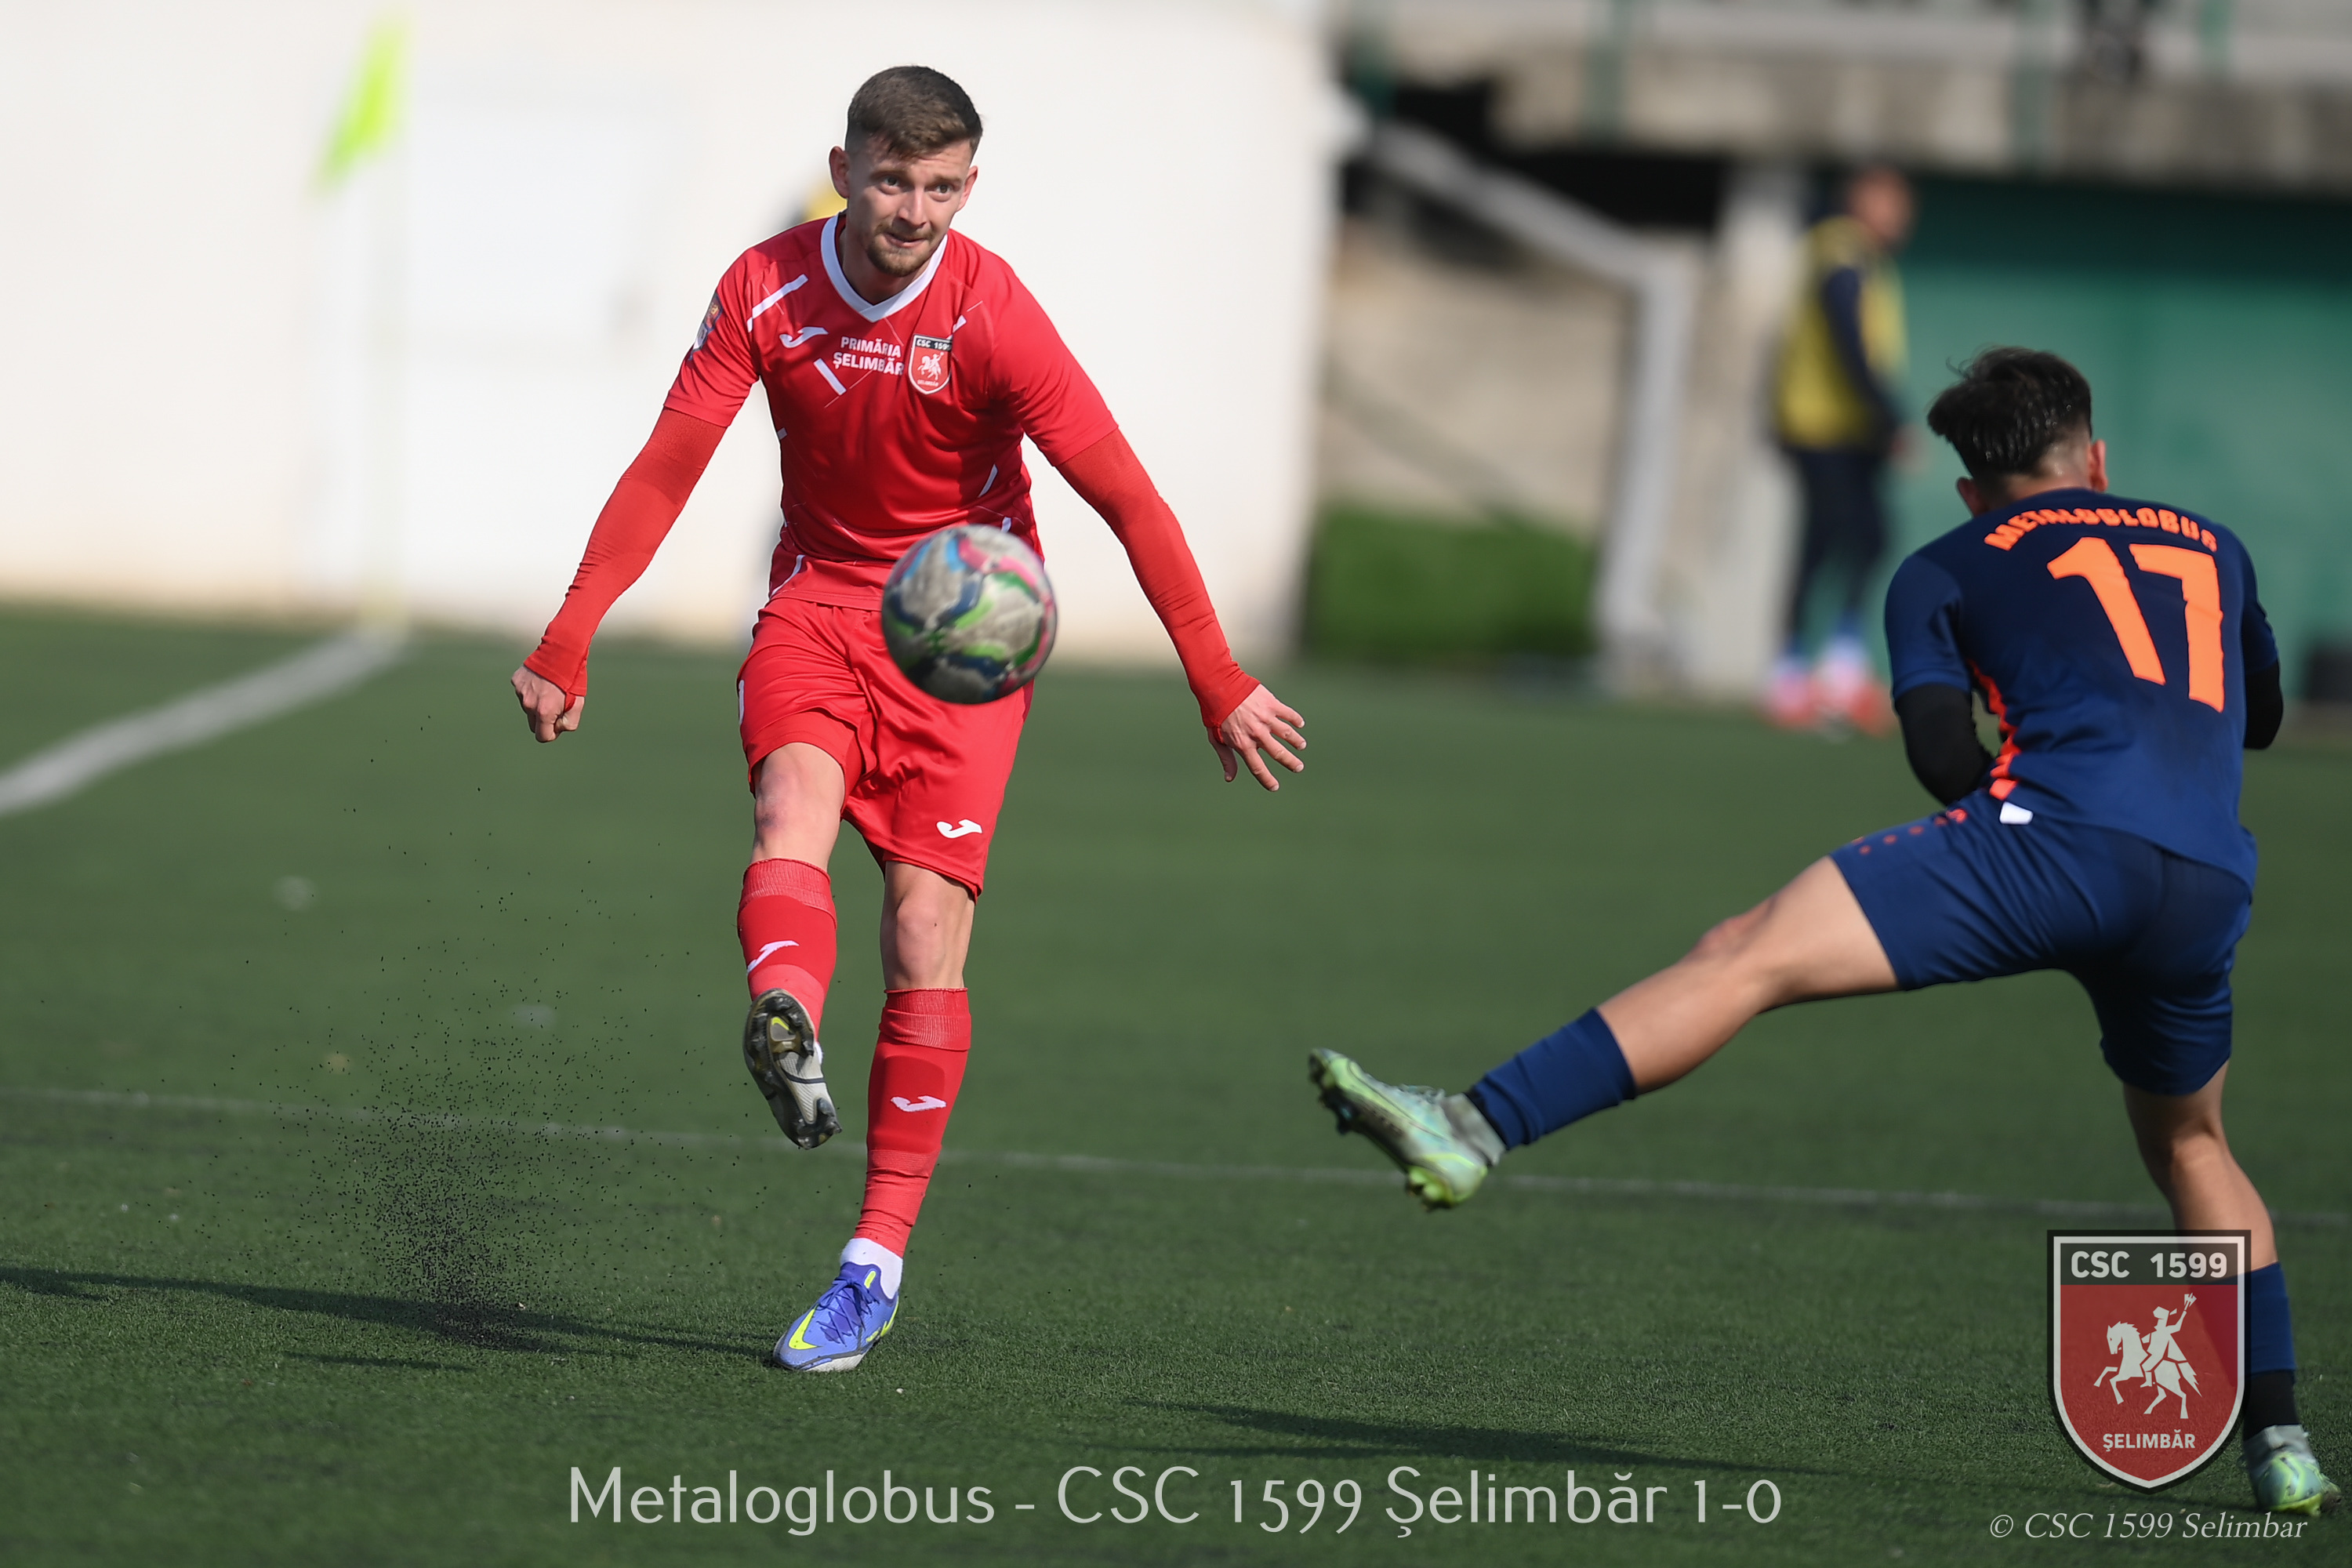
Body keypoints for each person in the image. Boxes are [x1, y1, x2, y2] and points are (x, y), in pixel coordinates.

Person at [1308, 349, 2337, 1517]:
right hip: (2205, 883)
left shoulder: (1945, 564)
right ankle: (2283, 1445)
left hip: (2050, 843)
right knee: (2194, 1146)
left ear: (1970, 490)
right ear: (2096, 461)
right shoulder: (2216, 545)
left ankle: (1475, 1127)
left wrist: (2033, 819)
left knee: (1745, 954)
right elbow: (2258, 717)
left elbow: (1941, 756)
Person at [511, 66, 1305, 1374]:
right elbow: (668, 466)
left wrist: (1216, 677)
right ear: (845, 170)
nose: (915, 211)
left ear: (969, 188)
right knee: (791, 806)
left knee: (925, 931)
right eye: (892, 181)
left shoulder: (995, 313)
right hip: (821, 602)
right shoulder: (765, 289)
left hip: (964, 633)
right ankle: (785, 1018)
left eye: (941, 188)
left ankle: (871, 1264)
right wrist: (571, 630)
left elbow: (1127, 494)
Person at [1765, 165, 1914, 735]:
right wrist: (1887, 416)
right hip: (1823, 425)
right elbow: (1846, 335)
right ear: (1861, 199)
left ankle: (1835, 665)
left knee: (1859, 538)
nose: (1901, 214)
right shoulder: (1841, 251)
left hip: (1845, 427)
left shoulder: (1865, 258)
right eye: (1890, 200)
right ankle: (1794, 672)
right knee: (1833, 538)